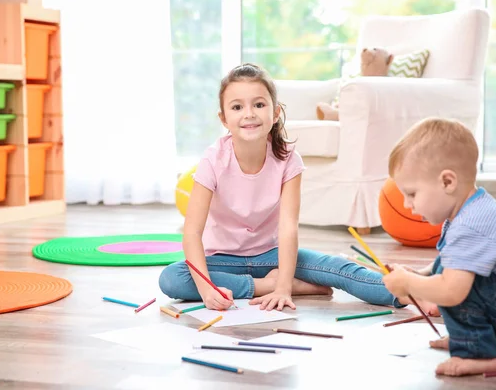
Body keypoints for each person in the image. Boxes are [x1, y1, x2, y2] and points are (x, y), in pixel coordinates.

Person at [159, 63, 432, 313]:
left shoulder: (288, 158)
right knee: (173, 278)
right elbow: (192, 232)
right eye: (237, 107)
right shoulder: (212, 159)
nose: (249, 114)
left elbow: (288, 227)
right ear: (223, 119)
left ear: (275, 112)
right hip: (222, 259)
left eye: (259, 104)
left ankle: (413, 293)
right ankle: (266, 284)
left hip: (272, 255)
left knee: (338, 268)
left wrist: (284, 286)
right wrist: (208, 289)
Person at [381, 117, 496, 377]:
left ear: (447, 182)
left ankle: (479, 353)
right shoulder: (471, 210)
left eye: (412, 194)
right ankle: (466, 338)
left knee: (454, 283)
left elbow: (452, 290)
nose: (408, 205)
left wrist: (409, 284)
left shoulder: (471, 224)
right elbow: (447, 261)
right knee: (448, 266)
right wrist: (420, 276)